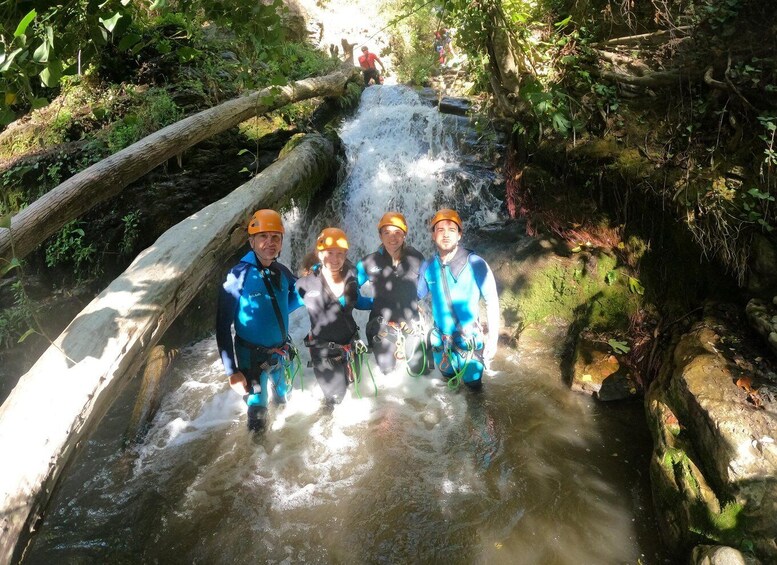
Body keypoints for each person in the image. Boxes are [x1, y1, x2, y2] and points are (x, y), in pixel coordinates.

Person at [216, 209, 304, 431]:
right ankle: (257, 461)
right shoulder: (238, 276)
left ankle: (283, 450)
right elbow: (222, 325)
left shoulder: (281, 271)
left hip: (280, 353)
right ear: (251, 241)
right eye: (263, 237)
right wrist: (232, 372)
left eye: (275, 237)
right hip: (252, 359)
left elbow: (295, 297)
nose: (270, 242)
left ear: (282, 242)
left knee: (283, 400)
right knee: (257, 415)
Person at [417, 208, 500, 391]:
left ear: (460, 235)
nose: (446, 235)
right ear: (433, 235)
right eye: (440, 229)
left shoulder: (475, 263)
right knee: (450, 390)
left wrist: (493, 339)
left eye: (451, 230)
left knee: (475, 391)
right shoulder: (428, 266)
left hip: (468, 341)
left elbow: (491, 300)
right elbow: (416, 296)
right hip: (441, 342)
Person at [297, 228, 370, 405]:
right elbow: (282, 307)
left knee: (353, 387)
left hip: (351, 346)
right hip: (324, 353)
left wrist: (384, 302)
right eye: (330, 253)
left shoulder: (351, 279)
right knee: (337, 399)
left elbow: (358, 302)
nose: (335, 259)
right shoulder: (305, 285)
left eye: (340, 254)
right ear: (319, 254)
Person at [356, 212, 427, 375]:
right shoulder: (370, 262)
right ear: (380, 236)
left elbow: (428, 282)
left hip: (411, 322)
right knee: (387, 371)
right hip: (383, 324)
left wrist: (414, 299)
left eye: (397, 232)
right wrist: (369, 303)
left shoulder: (416, 258)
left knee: (418, 371)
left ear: (404, 234)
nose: (392, 237)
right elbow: (350, 286)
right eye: (386, 232)